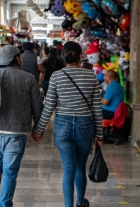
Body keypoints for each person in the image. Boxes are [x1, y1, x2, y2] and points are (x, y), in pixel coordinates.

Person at [32, 41, 103, 207]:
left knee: (68, 169)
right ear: (80, 56)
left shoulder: (56, 76)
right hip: (85, 126)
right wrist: (99, 134)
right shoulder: (91, 76)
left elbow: (49, 106)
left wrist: (39, 129)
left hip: (62, 126)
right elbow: (97, 109)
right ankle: (80, 201)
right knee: (80, 167)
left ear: (63, 56)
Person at [0, 45, 43, 207]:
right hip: (16, 131)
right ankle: (5, 203)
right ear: (16, 58)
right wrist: (38, 129)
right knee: (10, 171)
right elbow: (37, 106)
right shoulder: (29, 78)